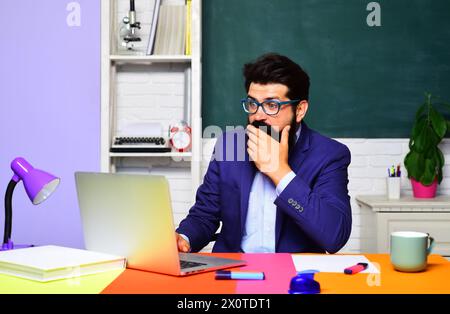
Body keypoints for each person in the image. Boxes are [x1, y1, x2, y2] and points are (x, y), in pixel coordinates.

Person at [176, 53, 352, 253]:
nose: (258, 115)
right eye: (252, 104)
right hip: (232, 271)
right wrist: (183, 239)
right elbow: (204, 215)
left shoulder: (329, 155)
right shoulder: (229, 145)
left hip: (293, 275)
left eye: (272, 105)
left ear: (300, 110)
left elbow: (334, 236)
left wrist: (280, 173)